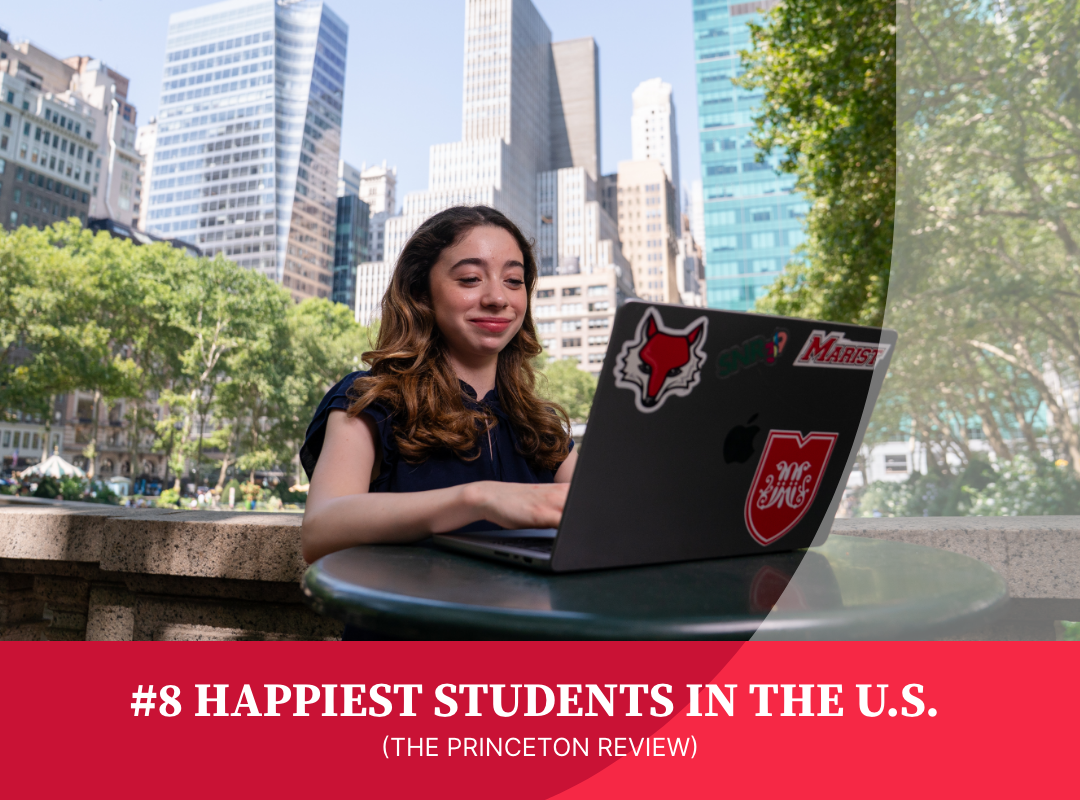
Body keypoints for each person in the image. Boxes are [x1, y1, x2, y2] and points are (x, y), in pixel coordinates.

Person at [300, 206, 577, 564]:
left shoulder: (542, 427)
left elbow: (603, 516)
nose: (498, 298)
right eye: (470, 279)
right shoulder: (369, 400)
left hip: (528, 619)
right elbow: (321, 530)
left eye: (513, 281)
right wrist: (477, 499)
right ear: (421, 293)